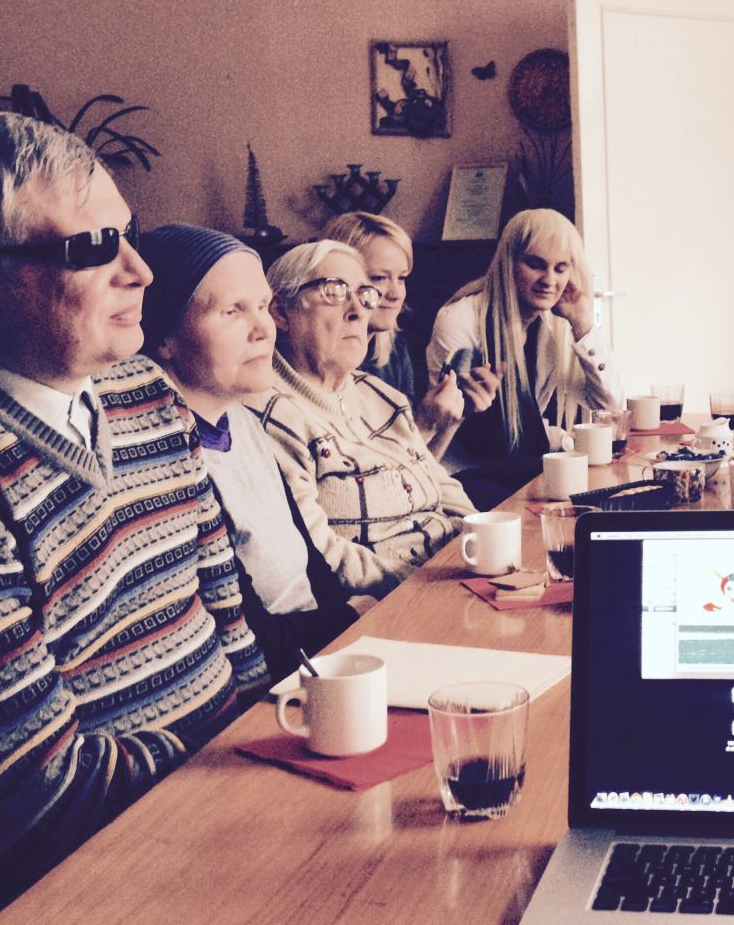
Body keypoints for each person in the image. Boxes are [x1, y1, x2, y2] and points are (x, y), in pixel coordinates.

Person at [0, 112, 268, 923]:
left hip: (216, 812)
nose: (141, 271)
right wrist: (235, 766)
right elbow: (24, 808)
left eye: (129, 235)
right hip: (52, 886)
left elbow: (225, 608)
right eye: (93, 247)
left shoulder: (144, 391)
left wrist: (275, 736)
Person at [138, 224, 370, 682]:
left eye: (262, 306)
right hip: (271, 681)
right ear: (165, 338)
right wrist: (353, 616)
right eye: (232, 311)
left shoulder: (243, 419)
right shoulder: (166, 459)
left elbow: (311, 563)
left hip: (322, 659)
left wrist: (348, 617)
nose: (263, 328)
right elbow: (247, 633)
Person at [251, 239, 474, 597]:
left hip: (454, 574)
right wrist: (432, 586)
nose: (357, 310)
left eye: (365, 294)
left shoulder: (380, 394)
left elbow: (445, 490)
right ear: (281, 312)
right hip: (396, 599)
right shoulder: (269, 415)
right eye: (335, 291)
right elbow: (322, 555)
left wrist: (482, 548)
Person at [427, 208, 623, 508]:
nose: (549, 280)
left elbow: (610, 409)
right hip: (463, 477)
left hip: (520, 470)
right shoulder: (461, 320)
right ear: (509, 263)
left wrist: (583, 325)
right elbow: (465, 432)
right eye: (536, 264)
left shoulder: (553, 326)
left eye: (561, 268)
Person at [321, 210, 484, 460]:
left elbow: (422, 467)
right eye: (379, 278)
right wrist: (424, 425)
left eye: (402, 278)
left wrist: (453, 418)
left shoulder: (395, 349)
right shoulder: (324, 364)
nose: (396, 293)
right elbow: (366, 475)